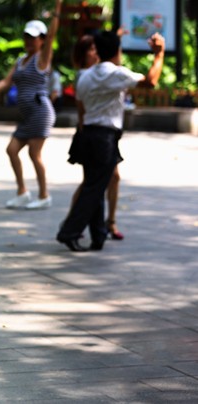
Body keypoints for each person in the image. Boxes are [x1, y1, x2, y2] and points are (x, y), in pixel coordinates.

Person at [57, 31, 165, 252]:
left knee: (94, 185)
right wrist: (159, 54)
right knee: (94, 188)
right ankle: (69, 231)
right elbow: (150, 81)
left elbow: (80, 105)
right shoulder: (115, 74)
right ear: (117, 51)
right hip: (103, 137)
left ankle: (98, 235)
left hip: (88, 133)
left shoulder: (85, 76)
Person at [0, 0, 62, 210]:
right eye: (27, 36)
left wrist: (57, 11)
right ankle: (22, 192)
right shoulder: (21, 60)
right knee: (12, 150)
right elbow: (7, 82)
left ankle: (44, 195)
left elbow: (52, 36)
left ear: (42, 40)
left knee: (35, 154)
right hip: (27, 115)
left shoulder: (42, 59)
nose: (29, 40)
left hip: (40, 111)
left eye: (33, 37)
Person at [68, 34, 124, 240]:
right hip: (94, 133)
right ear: (83, 55)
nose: (94, 53)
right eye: (90, 50)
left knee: (105, 179)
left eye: (96, 49)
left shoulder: (100, 73)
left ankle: (107, 223)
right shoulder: (86, 75)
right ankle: (73, 223)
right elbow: (81, 109)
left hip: (101, 133)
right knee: (91, 183)